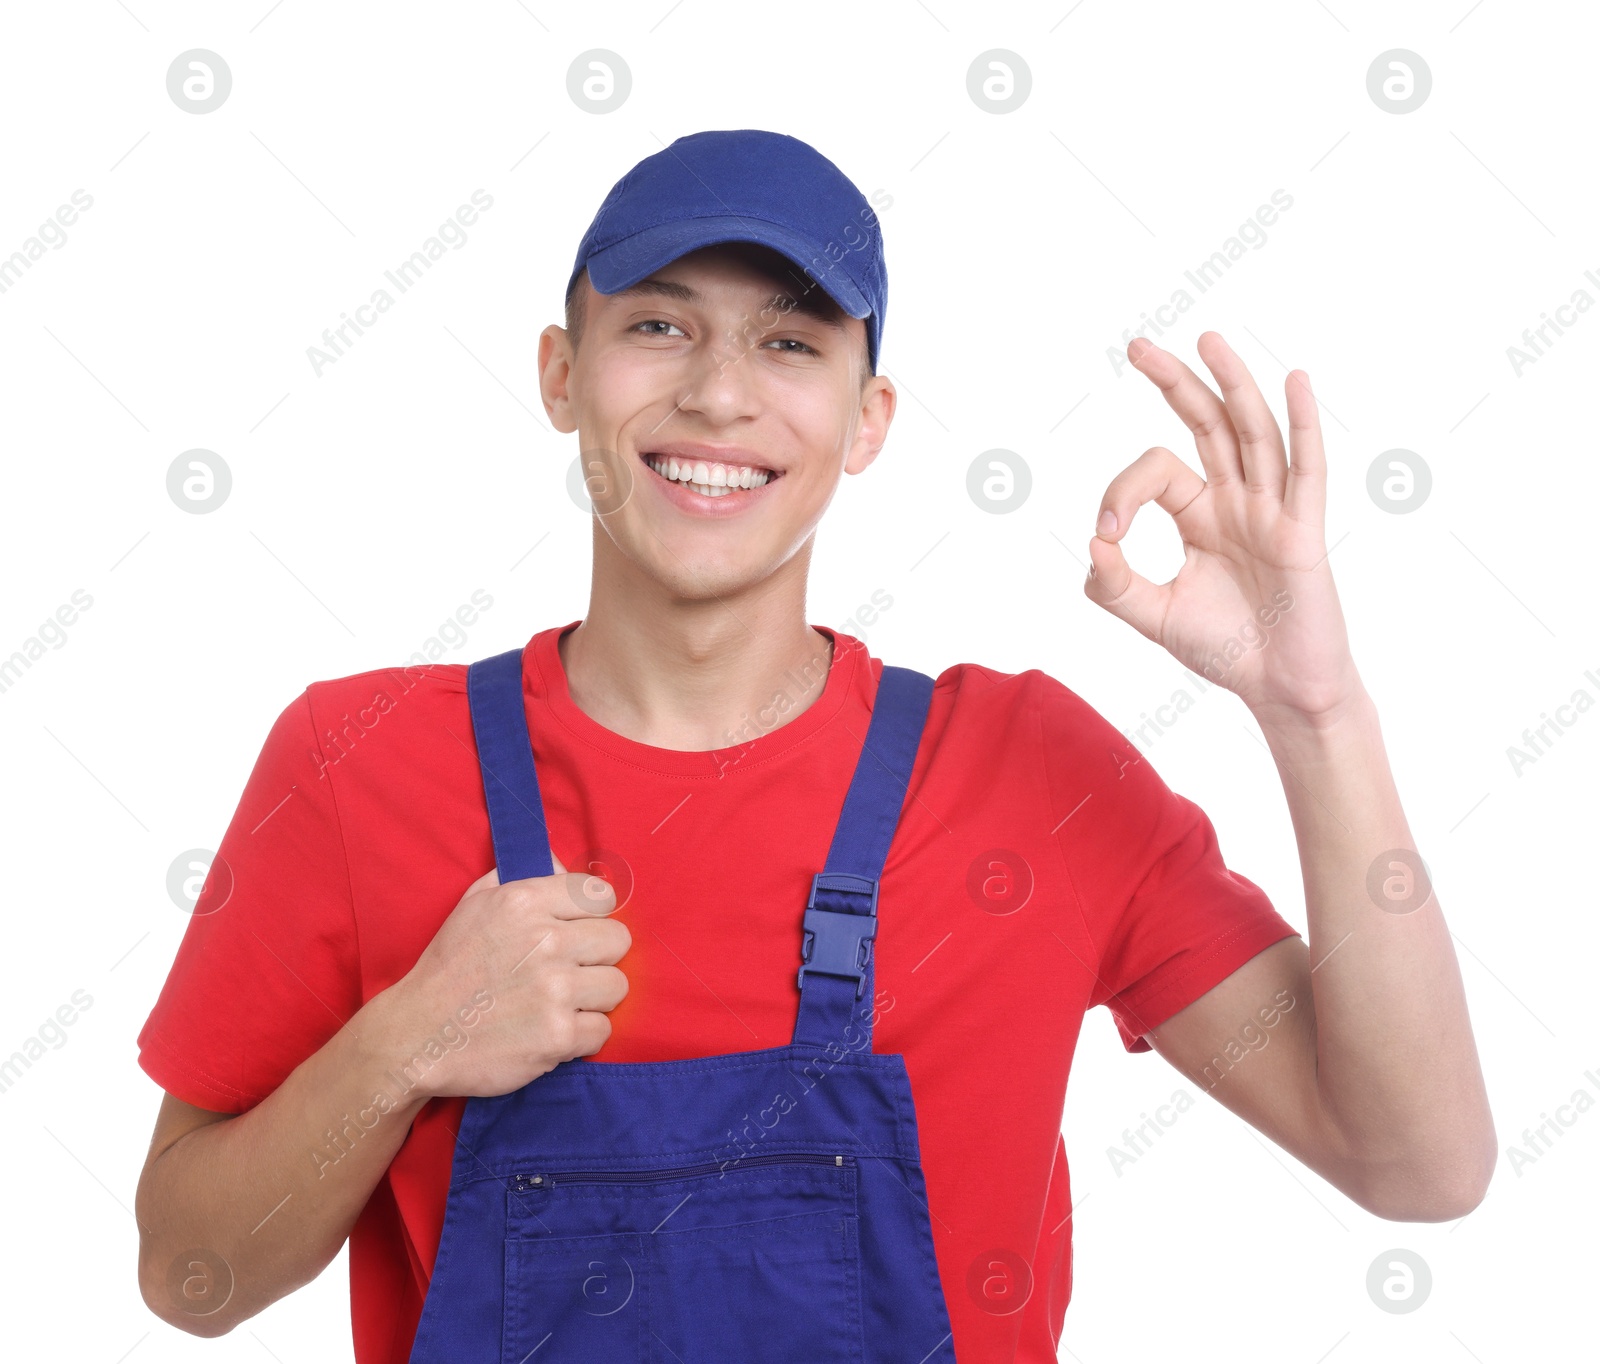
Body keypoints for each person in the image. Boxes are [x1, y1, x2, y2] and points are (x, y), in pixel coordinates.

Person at [133, 129, 1495, 1363]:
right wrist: (403, 1049)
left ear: (867, 420)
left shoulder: (1032, 773)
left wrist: (1315, 710)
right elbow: (189, 1279)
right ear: (561, 374)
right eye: (660, 326)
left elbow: (1418, 1164)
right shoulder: (357, 758)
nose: (721, 395)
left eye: (792, 345)